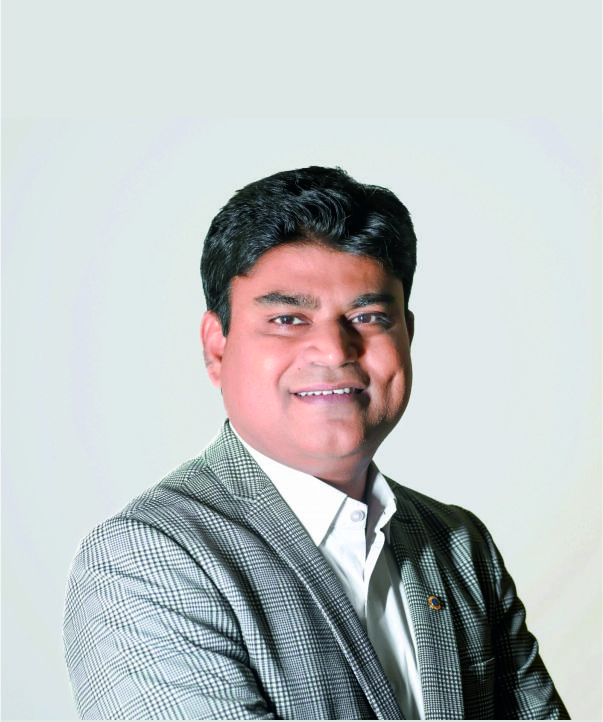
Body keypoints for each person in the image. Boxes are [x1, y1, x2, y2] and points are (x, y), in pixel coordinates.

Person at [63, 166, 569, 720]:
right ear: (217, 347)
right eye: (288, 318)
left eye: (368, 316)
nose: (334, 349)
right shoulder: (147, 560)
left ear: (407, 335)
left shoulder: (459, 545)